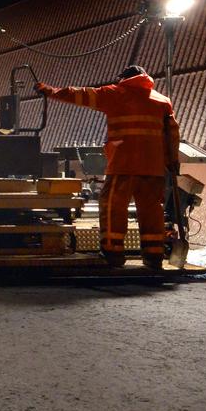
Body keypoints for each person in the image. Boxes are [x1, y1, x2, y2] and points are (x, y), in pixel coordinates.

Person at [36, 64, 181, 271]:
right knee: (152, 211)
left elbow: (81, 95)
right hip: (153, 167)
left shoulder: (116, 93)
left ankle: (113, 253)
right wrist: (172, 161)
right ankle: (153, 256)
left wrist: (50, 91)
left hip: (123, 164)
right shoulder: (162, 100)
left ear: (124, 78)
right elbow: (172, 135)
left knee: (113, 207)